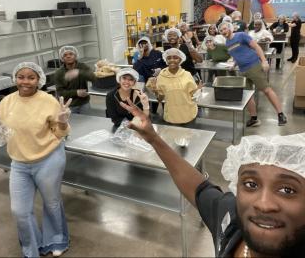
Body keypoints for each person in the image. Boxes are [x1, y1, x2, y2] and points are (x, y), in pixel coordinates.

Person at [117, 103, 305, 258]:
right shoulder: (230, 219)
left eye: (287, 190)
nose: (264, 204)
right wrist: (153, 138)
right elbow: (198, 187)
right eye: (251, 184)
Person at [0, 62, 71, 258]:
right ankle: (31, 249)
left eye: (31, 77)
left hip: (49, 159)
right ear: (15, 78)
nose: (25, 81)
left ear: (39, 79)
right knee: (19, 211)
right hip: (19, 163)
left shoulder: (48, 101)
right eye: (21, 77)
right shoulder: (7, 101)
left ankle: (57, 240)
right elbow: (7, 132)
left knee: (52, 203)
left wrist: (63, 122)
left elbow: (59, 134)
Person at [219, 21, 287, 127]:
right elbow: (237, 54)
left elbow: (256, 47)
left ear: (230, 28)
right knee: (248, 95)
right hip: (242, 71)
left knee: (266, 90)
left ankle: (281, 114)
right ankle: (254, 118)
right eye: (221, 30)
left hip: (253, 66)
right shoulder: (227, 43)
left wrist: (264, 61)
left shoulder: (241, 36)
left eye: (224, 29)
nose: (223, 31)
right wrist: (234, 64)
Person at [156, 48, 198, 126]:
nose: (172, 60)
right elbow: (160, 97)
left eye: (175, 57)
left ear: (180, 60)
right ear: (166, 60)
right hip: (171, 116)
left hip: (188, 113)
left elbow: (194, 95)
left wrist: (199, 89)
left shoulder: (187, 75)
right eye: (169, 58)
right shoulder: (161, 76)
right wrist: (155, 91)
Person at [55, 45, 95, 115]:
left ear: (75, 55)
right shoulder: (59, 73)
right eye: (65, 55)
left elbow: (93, 78)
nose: (68, 56)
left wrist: (79, 72)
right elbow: (60, 92)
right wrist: (76, 92)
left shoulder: (82, 66)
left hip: (84, 103)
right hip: (69, 105)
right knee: (73, 125)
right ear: (62, 58)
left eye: (71, 54)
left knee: (88, 123)